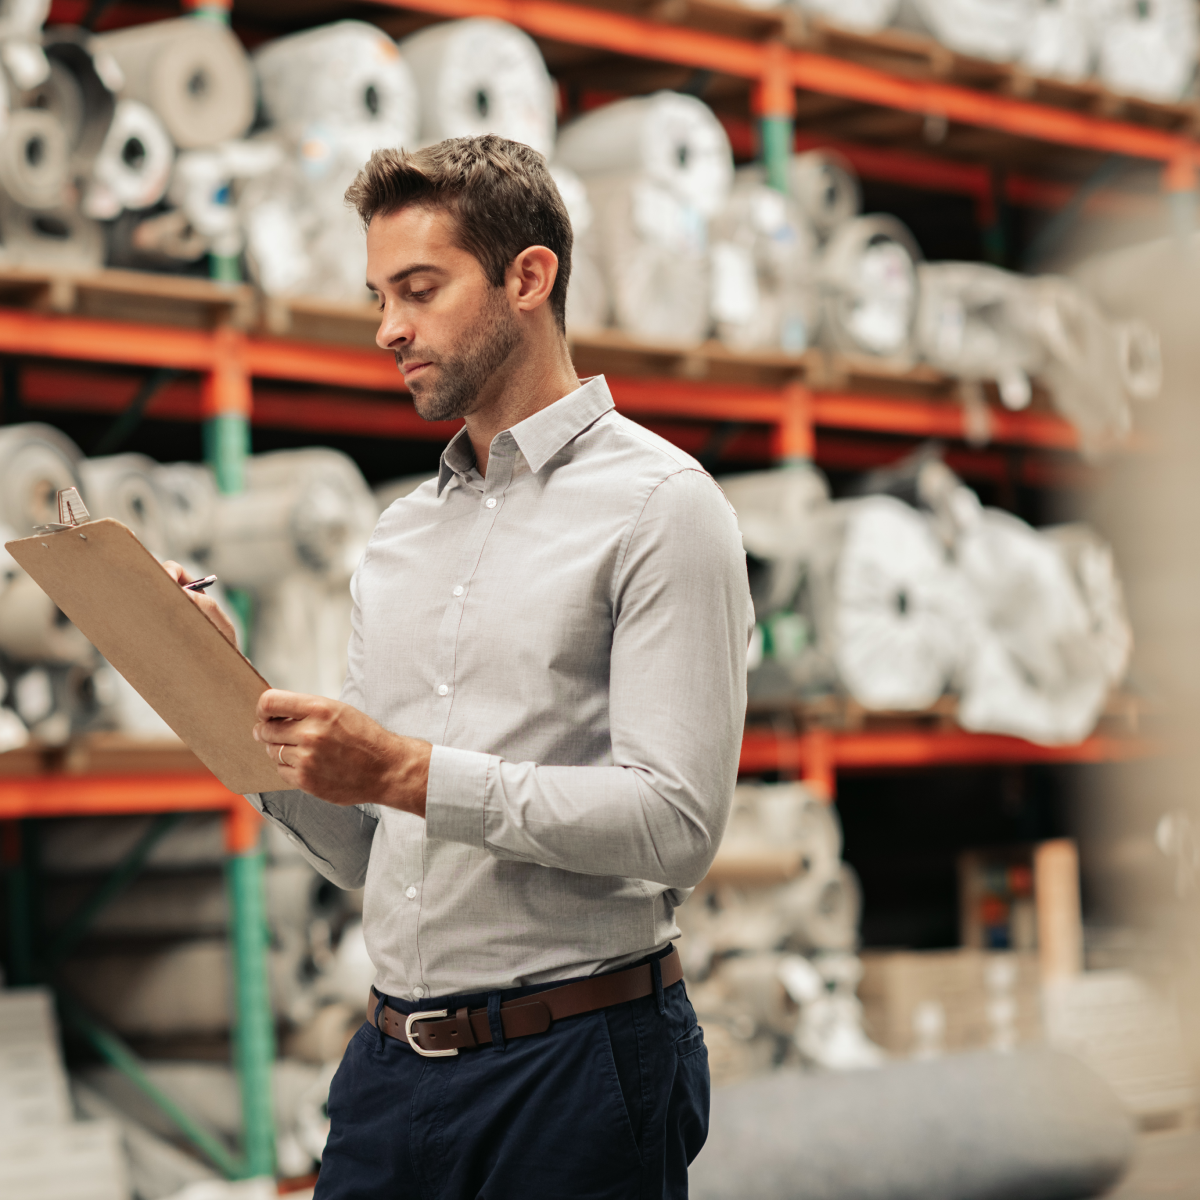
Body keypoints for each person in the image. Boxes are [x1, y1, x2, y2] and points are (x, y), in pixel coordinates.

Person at [174, 134, 752, 1199]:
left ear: (528, 277)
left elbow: (677, 824)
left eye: (420, 289)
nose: (388, 327)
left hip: (578, 1064)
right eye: (378, 295)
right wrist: (224, 699)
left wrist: (407, 773)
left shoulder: (661, 510)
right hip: (391, 1073)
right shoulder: (400, 538)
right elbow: (360, 848)